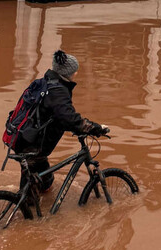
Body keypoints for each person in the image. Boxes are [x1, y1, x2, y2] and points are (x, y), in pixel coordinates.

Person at [17, 50, 108, 193]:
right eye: (75, 71)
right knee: (30, 192)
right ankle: (23, 204)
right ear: (68, 73)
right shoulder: (58, 91)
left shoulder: (44, 82)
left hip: (23, 137)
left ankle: (31, 199)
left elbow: (56, 114)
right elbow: (69, 119)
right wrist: (95, 128)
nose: (76, 73)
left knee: (45, 180)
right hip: (32, 145)